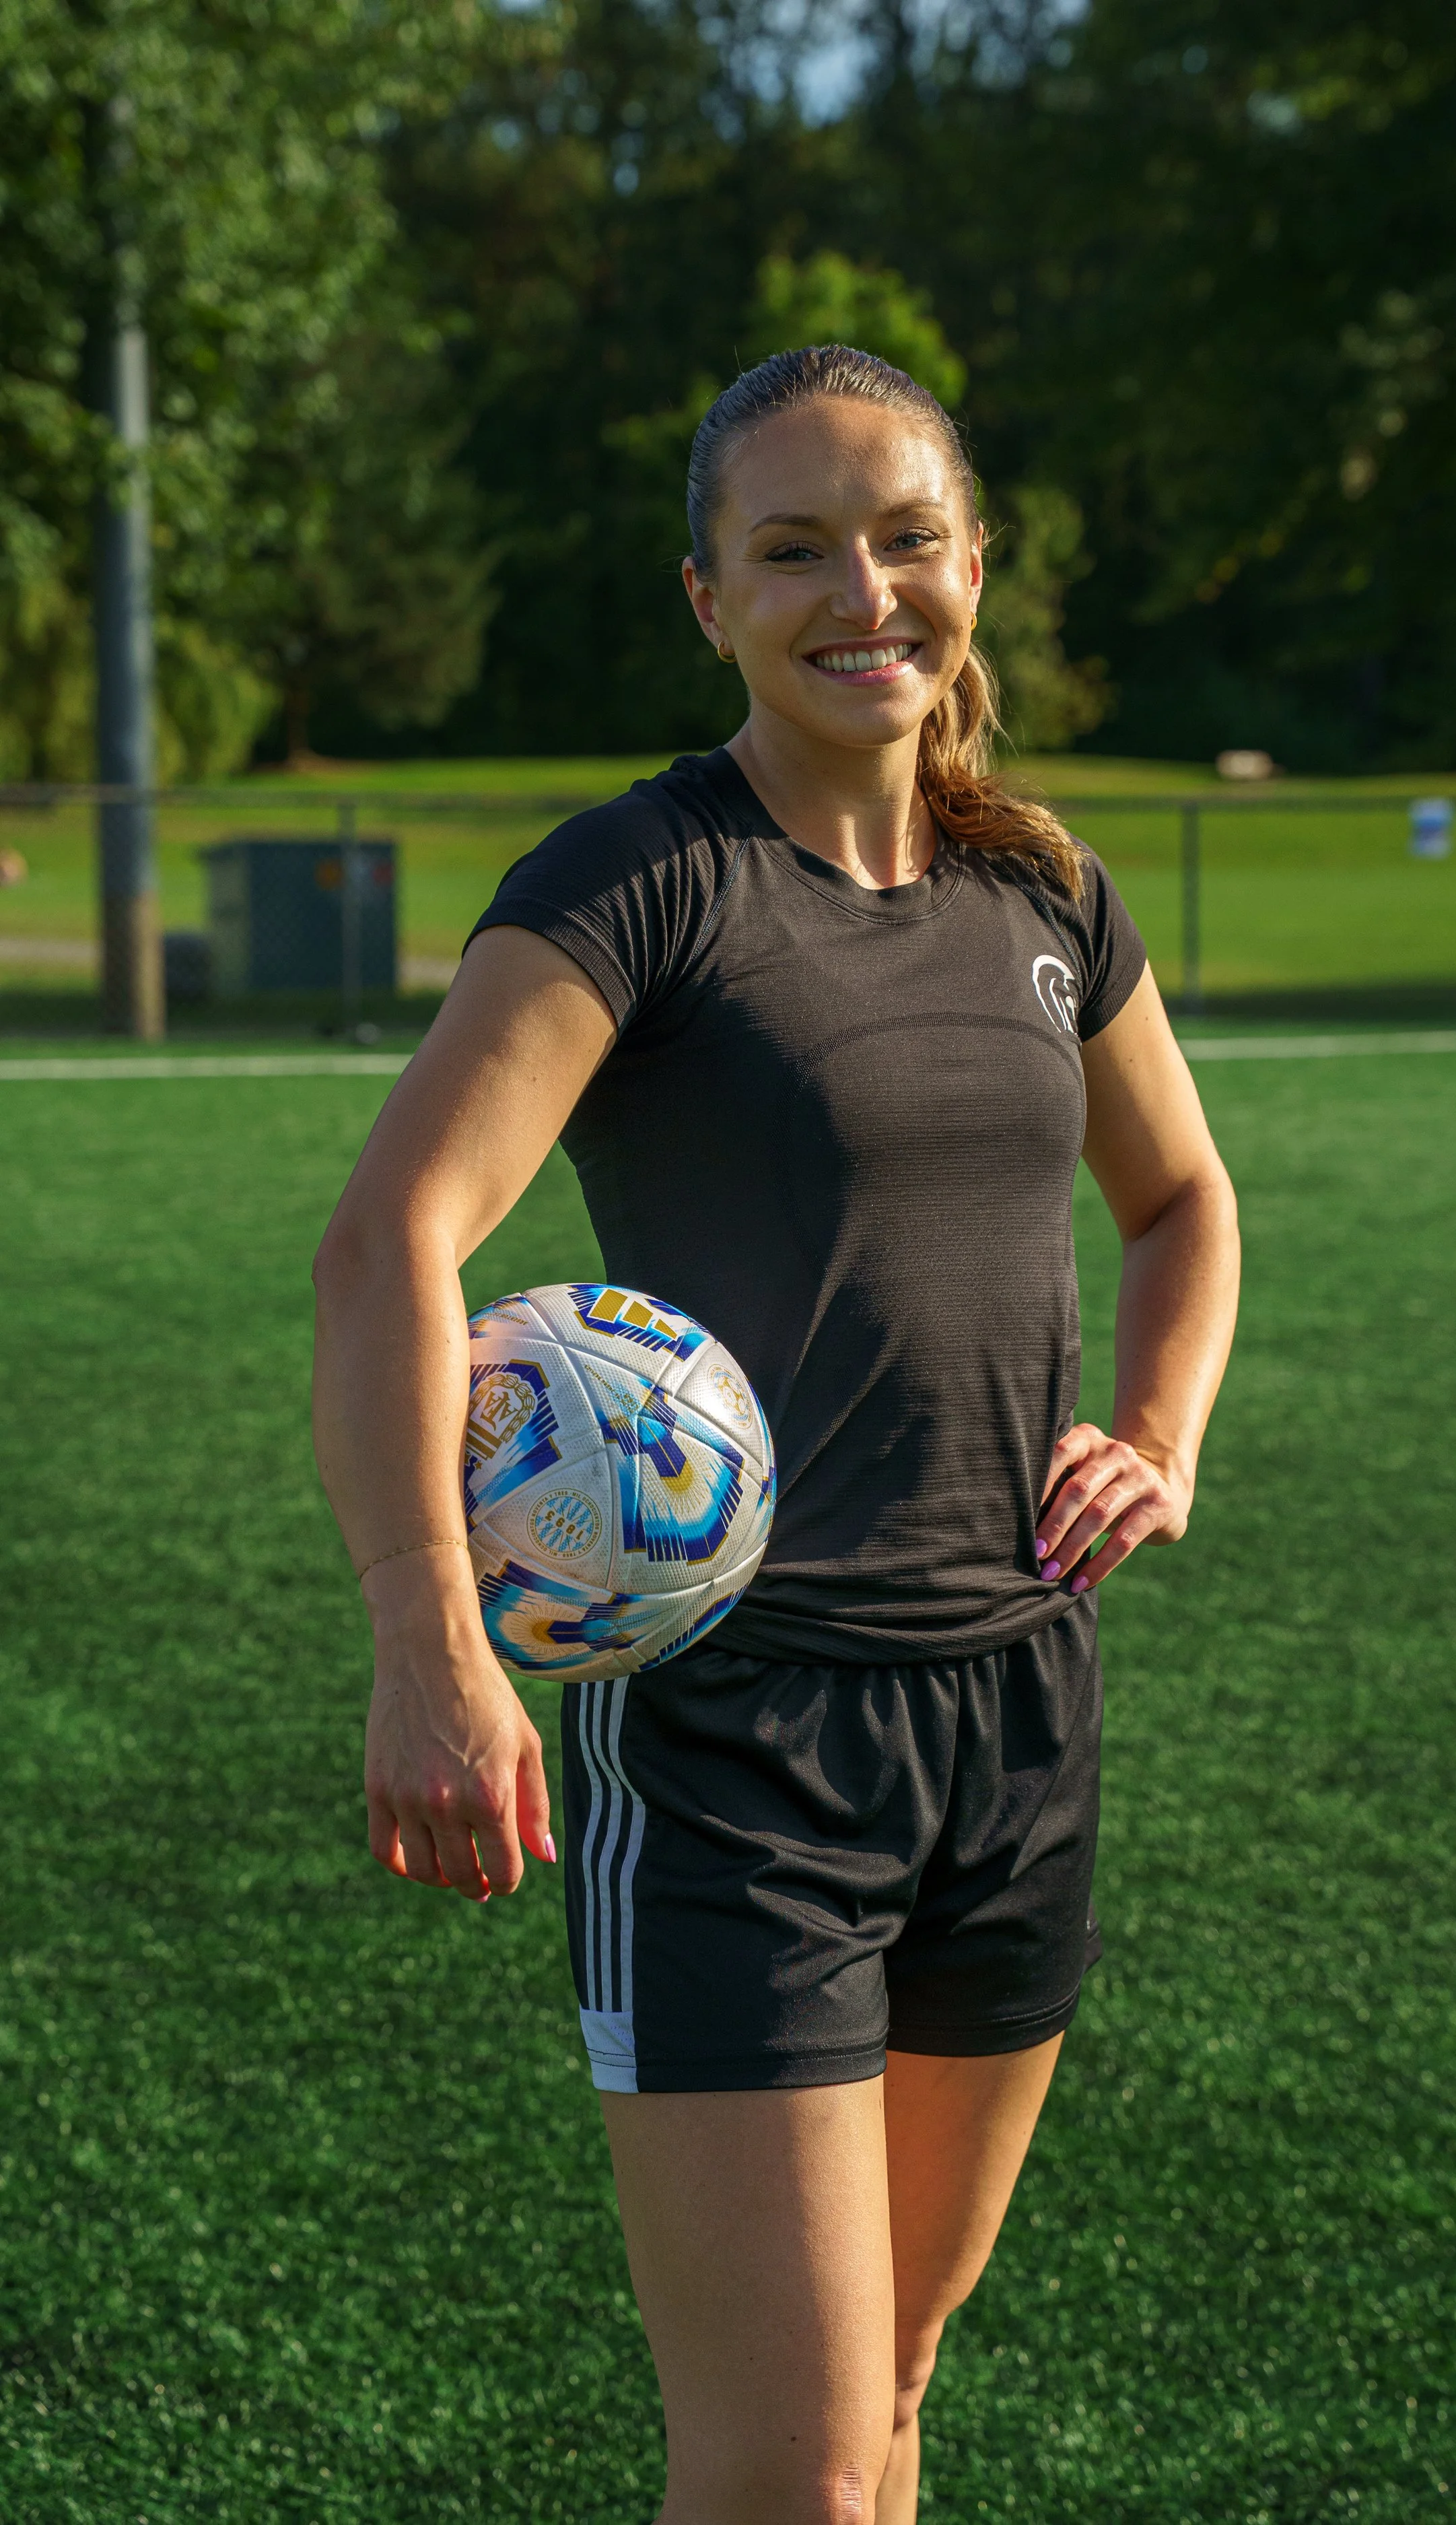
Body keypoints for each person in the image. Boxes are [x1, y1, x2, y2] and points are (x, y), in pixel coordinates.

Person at [312, 343, 1240, 2525]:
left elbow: (1183, 1197)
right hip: (739, 1742)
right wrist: (426, 1635)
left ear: (972, 567)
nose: (864, 592)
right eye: (794, 545)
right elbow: (391, 1242)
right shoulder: (640, 881)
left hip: (1016, 1715)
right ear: (706, 594)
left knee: (894, 2389)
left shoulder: (1043, 890)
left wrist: (1159, 1428)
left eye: (908, 537)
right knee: (794, 2476)